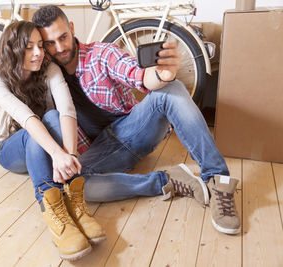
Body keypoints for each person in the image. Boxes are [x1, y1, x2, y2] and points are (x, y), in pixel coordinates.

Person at [32, 6, 240, 235]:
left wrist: (160, 75)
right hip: (101, 151)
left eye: (63, 37)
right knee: (78, 185)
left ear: (71, 28)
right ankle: (168, 180)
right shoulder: (45, 76)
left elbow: (136, 74)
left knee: (170, 89)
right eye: (50, 43)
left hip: (134, 130)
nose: (60, 48)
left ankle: (218, 181)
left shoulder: (102, 54)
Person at [0, 20, 106, 261]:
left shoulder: (49, 69)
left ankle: (75, 203)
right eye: (29, 47)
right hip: (10, 149)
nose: (39, 53)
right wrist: (58, 155)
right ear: (13, 49)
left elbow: (67, 110)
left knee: (52, 115)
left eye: (40, 45)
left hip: (47, 146)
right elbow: (26, 119)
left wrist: (70, 155)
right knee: (35, 128)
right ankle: (53, 210)